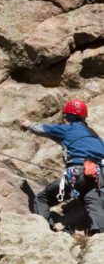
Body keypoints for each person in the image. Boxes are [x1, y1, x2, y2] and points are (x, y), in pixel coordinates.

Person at [20, 99, 104, 235]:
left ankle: (45, 230)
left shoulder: (68, 129)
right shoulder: (96, 138)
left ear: (67, 117)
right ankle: (99, 237)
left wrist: (28, 124)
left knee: (42, 198)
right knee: (93, 202)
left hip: (77, 175)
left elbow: (42, 129)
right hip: (98, 179)